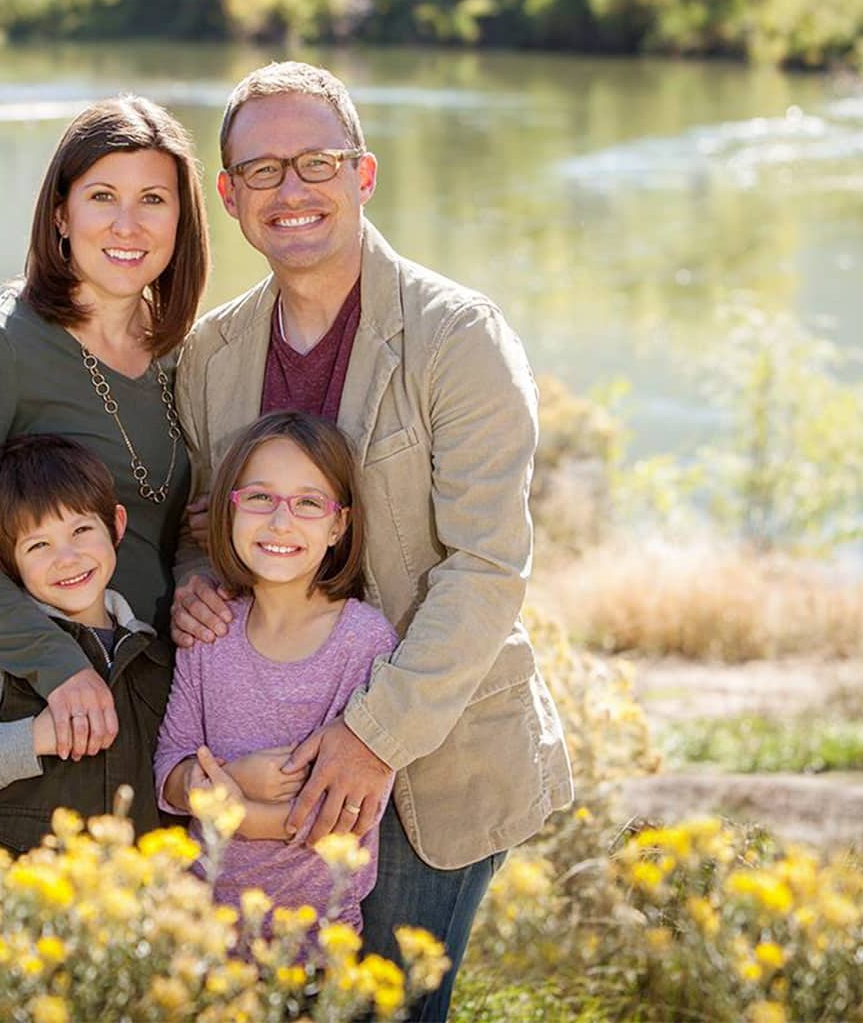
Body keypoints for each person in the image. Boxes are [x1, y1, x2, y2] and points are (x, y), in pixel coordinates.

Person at [171, 62, 574, 1019]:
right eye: (261, 171)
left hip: (435, 756)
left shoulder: (456, 337)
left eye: (318, 161)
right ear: (228, 197)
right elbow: (198, 526)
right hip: (266, 761)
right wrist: (192, 577)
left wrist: (373, 738)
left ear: (365, 174)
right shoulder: (211, 357)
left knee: (386, 1012)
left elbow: (487, 567)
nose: (292, 189)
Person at [0, 95, 208, 771]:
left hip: (164, 691)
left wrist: (198, 574)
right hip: (49, 709)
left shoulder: (186, 349)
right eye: (102, 195)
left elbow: (182, 519)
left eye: (154, 200)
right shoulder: (0, 343)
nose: (128, 224)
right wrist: (58, 667)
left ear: (182, 219)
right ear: (61, 214)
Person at [155, 411, 397, 931]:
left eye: (308, 503)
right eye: (260, 498)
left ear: (338, 525)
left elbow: (354, 816)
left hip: (312, 942)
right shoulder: (209, 631)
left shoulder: (364, 642)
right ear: (229, 510)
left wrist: (236, 815)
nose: (281, 522)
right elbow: (168, 770)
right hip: (201, 933)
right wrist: (235, 780)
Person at [0, 434, 168, 867]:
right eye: (38, 545)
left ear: (117, 525)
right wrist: (34, 737)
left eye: (81, 530)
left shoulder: (154, 653)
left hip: (126, 902)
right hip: (13, 898)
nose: (67, 558)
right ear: (4, 563)